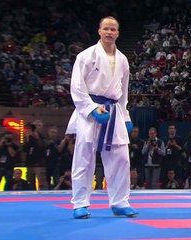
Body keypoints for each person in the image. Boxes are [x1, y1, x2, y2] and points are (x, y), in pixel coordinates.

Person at [65, 16, 137, 219]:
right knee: (84, 158)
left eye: (113, 29)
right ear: (99, 31)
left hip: (114, 111)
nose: (109, 32)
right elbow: (77, 88)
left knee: (121, 157)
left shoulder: (123, 59)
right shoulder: (86, 56)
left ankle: (120, 202)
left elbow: (123, 92)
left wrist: (125, 116)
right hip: (90, 111)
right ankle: (80, 203)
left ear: (118, 33)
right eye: (106, 29)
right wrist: (91, 108)